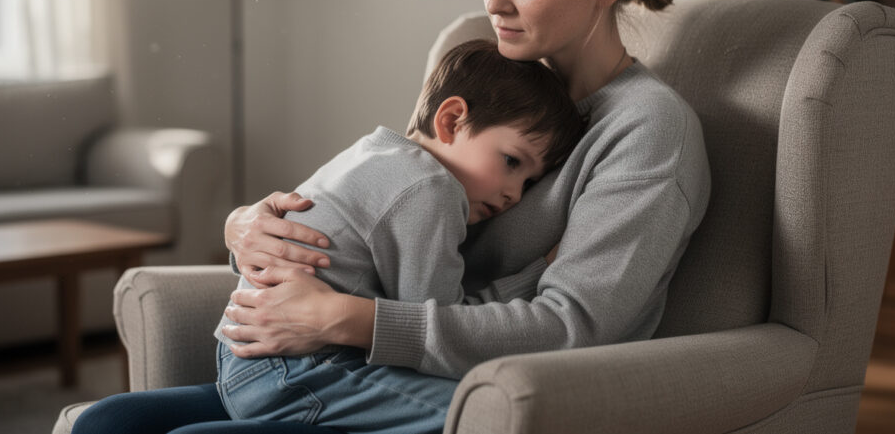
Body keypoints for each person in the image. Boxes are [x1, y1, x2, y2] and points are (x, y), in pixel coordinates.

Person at [222, 0, 712, 387]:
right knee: (121, 416)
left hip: (495, 389)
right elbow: (379, 204)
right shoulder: (496, 77)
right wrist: (248, 228)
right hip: (360, 366)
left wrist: (347, 319)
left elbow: (575, 326)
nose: (495, 2)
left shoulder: (651, 130)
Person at [70, 39, 585, 434]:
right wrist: (537, 276)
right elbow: (434, 327)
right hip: (303, 368)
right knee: (476, 414)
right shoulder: (432, 190)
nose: (516, 194)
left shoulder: (371, 153)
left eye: (531, 182)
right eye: (512, 163)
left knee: (109, 421)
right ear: (451, 120)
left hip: (244, 355)